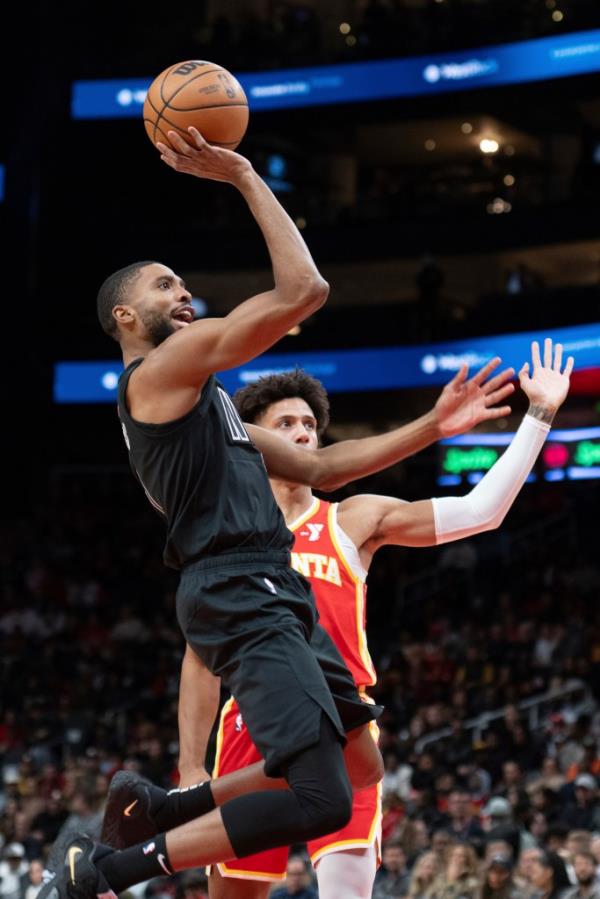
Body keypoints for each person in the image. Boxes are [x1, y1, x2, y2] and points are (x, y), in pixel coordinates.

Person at [36, 127, 514, 899]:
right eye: (164, 286)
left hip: (270, 588)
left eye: (182, 283)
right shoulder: (159, 373)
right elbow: (304, 292)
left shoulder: (207, 400)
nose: (182, 294)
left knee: (363, 763)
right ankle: (106, 869)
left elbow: (322, 465)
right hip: (237, 585)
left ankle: (170, 804)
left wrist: (433, 426)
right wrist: (243, 175)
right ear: (126, 318)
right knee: (323, 799)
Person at [103, 338, 570, 899]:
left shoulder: (351, 519)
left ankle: (115, 870)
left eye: (310, 425)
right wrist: (190, 766)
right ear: (253, 442)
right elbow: (200, 660)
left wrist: (539, 415)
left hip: (342, 725)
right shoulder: (226, 538)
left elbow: (480, 512)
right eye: (287, 424)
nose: (303, 434)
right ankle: (117, 870)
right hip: (253, 730)